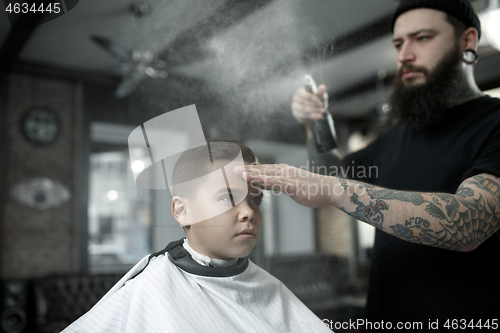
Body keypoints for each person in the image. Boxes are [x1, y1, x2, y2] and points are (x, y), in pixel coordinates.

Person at [237, 0, 500, 330]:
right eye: (398, 43)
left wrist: (334, 190)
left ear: (468, 41)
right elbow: (330, 174)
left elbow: (470, 223)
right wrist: (316, 123)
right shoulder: (395, 138)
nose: (404, 55)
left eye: (422, 38)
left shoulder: (494, 124)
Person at [62, 140, 332, 333]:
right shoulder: (146, 292)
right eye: (228, 197)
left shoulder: (270, 288)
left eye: (256, 199)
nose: (248, 211)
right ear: (182, 210)